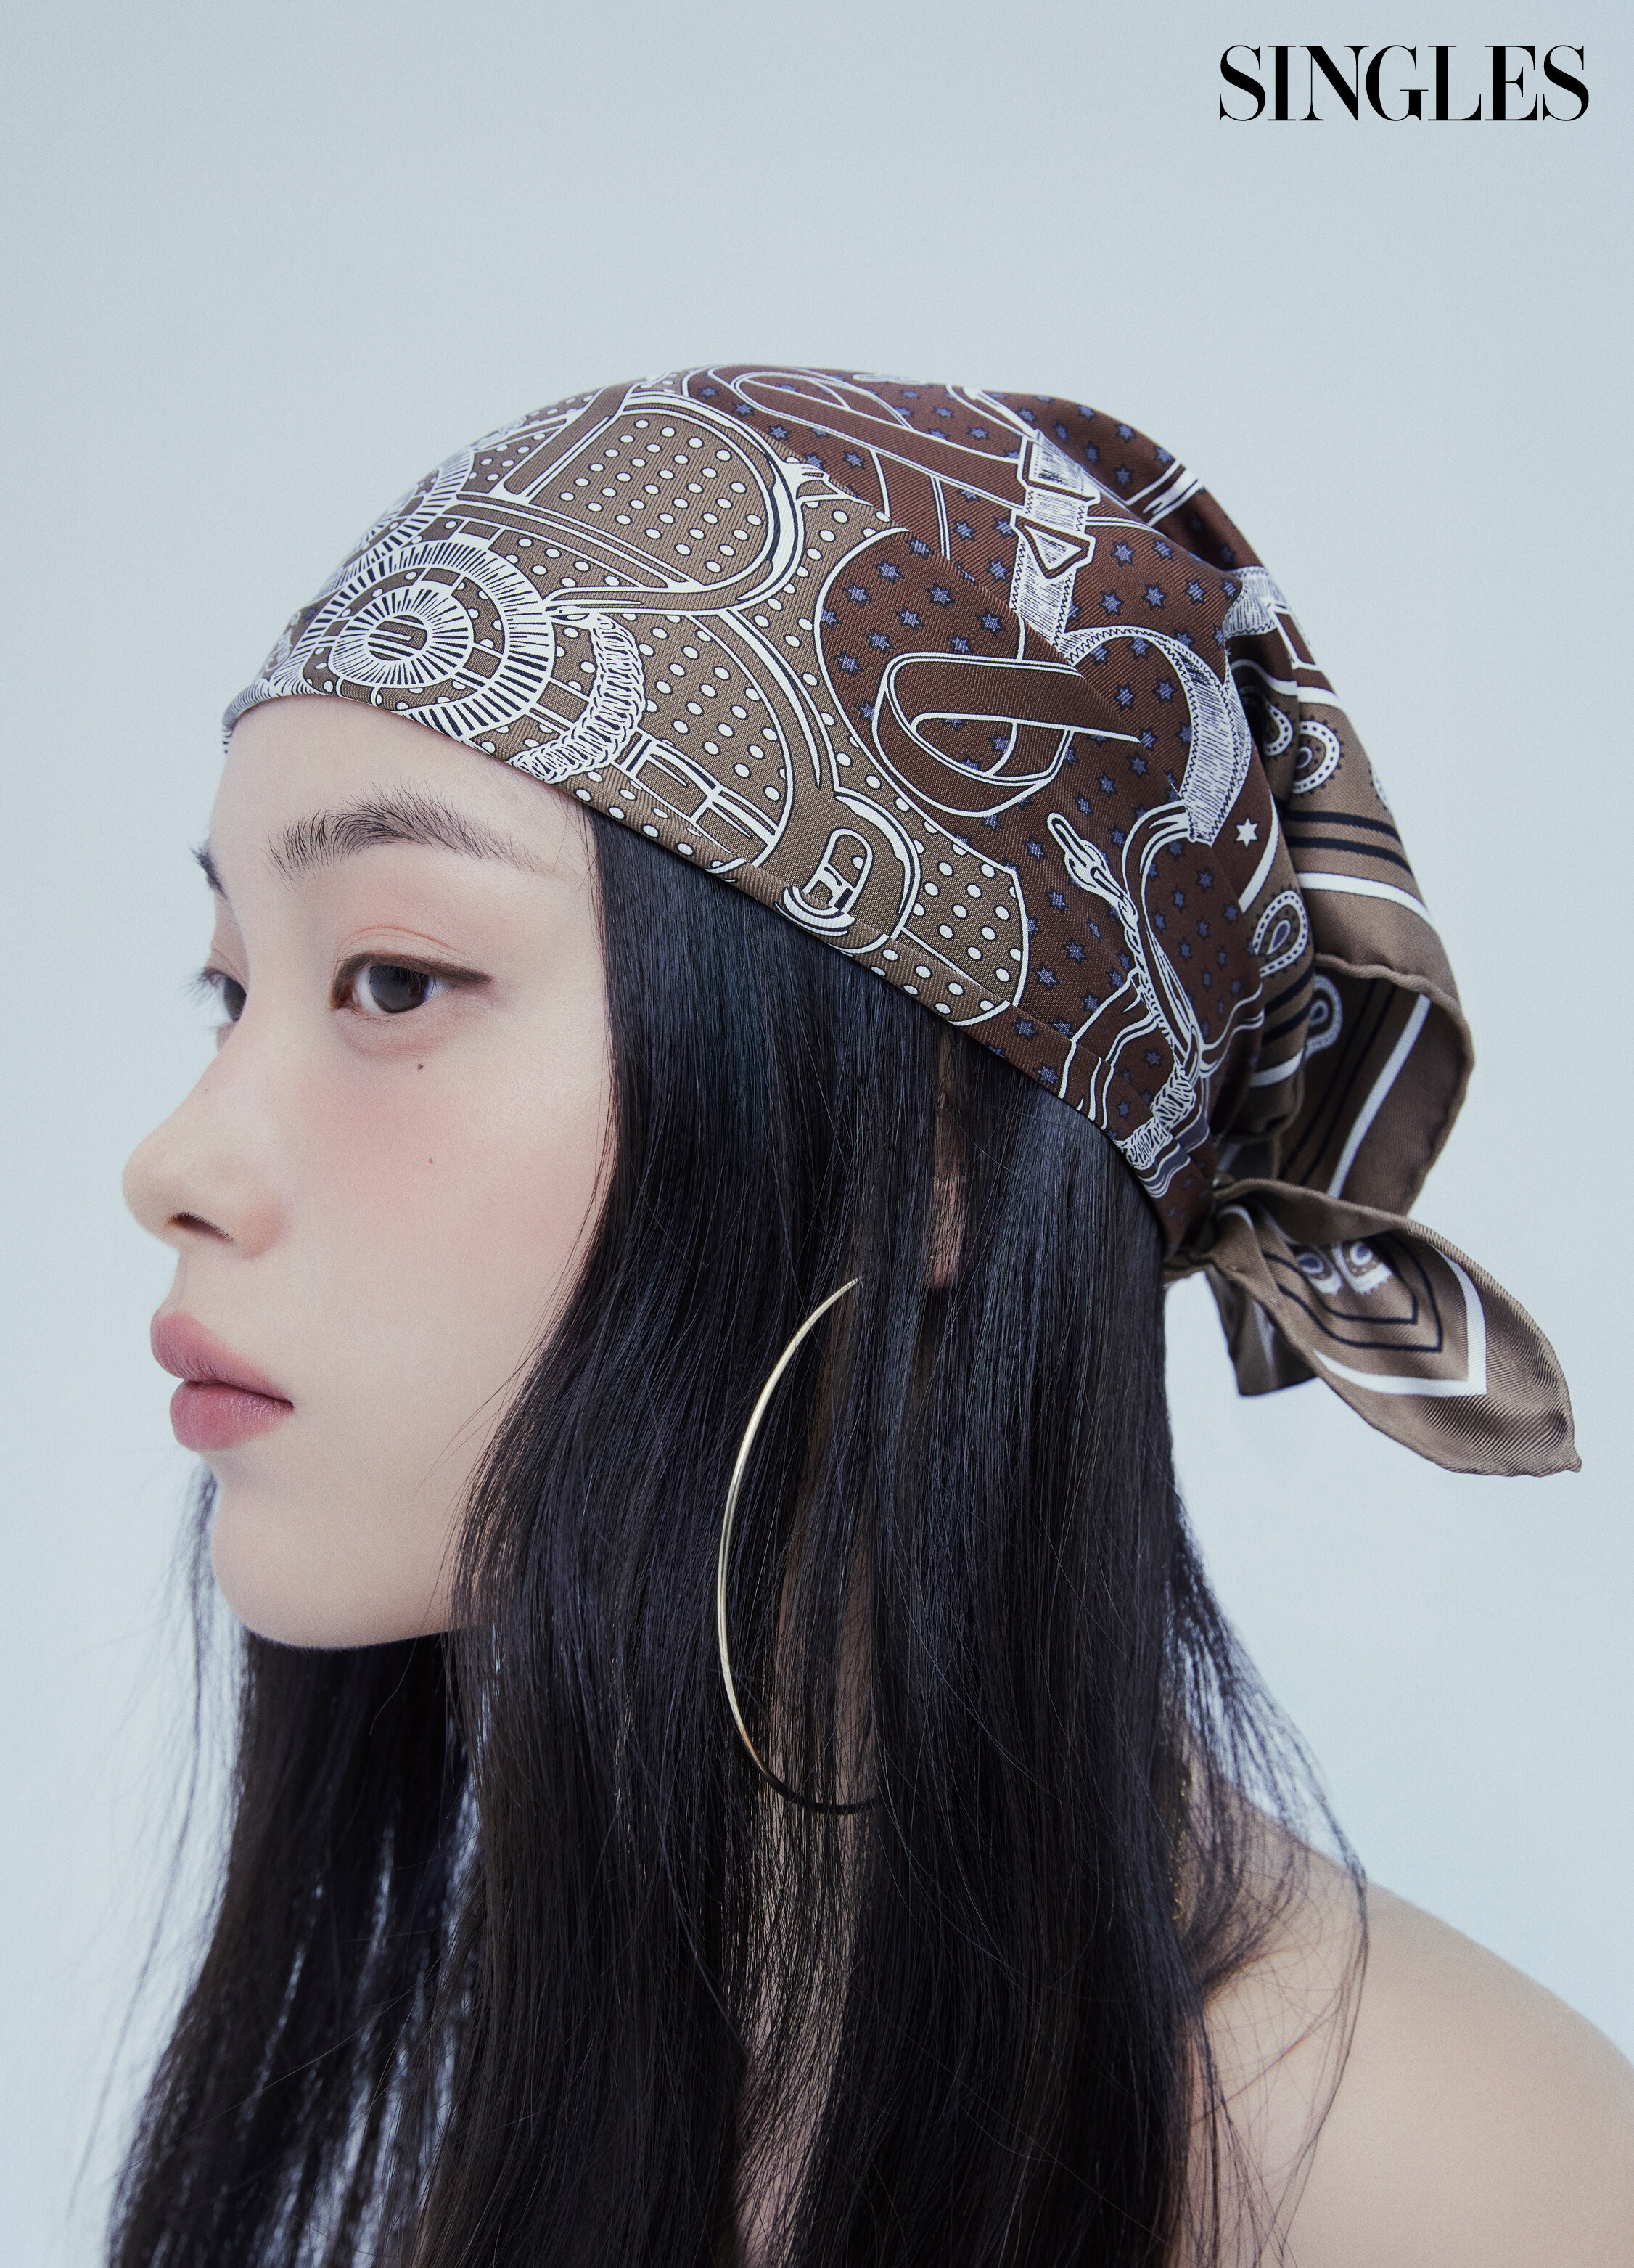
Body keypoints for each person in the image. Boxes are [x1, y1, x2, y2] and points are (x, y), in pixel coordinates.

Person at [116, 368, 1633, 2267]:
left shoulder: (1459, 2187)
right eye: (230, 990)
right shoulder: (607, 2076)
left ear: (942, 1155)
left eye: (396, 980)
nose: (177, 1163)